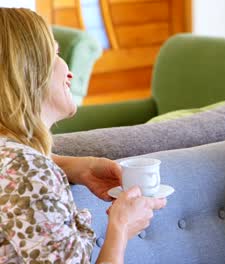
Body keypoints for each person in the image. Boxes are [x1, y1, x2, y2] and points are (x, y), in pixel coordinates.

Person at [0, 8, 166, 263]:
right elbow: (23, 171)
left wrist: (71, 165)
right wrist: (120, 228)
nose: (69, 72)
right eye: (55, 53)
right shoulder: (29, 170)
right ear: (28, 68)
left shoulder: (18, 161)